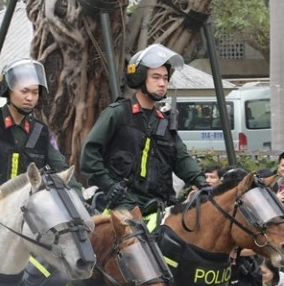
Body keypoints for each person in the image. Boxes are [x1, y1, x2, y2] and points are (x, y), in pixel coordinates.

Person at [80, 44, 207, 215]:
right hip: (122, 205)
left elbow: (182, 158)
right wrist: (109, 185)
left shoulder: (165, 123)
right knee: (135, 239)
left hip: (159, 206)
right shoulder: (118, 113)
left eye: (165, 78)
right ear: (140, 78)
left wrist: (203, 183)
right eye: (156, 77)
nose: (162, 83)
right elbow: (89, 155)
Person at [0, 59, 77, 197]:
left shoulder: (41, 133)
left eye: (35, 92)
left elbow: (61, 168)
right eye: (24, 91)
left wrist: (79, 197)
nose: (30, 98)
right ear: (7, 91)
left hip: (24, 211)